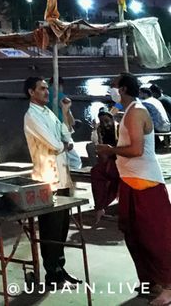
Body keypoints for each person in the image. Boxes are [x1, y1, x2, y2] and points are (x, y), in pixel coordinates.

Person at [96, 73, 171, 305]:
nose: (111, 89)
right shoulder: (126, 111)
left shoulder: (137, 112)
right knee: (134, 235)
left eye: (114, 86)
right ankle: (151, 282)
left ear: (124, 89)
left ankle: (168, 286)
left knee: (154, 237)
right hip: (130, 181)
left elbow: (136, 150)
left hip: (145, 182)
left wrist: (110, 150)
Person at [23, 76, 80, 287]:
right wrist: (65, 143)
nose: (47, 92)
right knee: (51, 228)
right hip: (47, 178)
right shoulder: (31, 116)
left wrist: (64, 113)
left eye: (47, 88)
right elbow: (55, 144)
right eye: (42, 89)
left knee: (63, 226)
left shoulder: (48, 112)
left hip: (63, 176)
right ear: (31, 92)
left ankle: (60, 267)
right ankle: (52, 272)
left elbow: (67, 132)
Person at [88, 109, 119, 223]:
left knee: (107, 175)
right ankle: (100, 207)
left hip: (122, 161)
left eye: (107, 121)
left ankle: (102, 206)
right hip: (110, 161)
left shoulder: (119, 129)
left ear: (112, 119)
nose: (106, 125)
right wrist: (97, 130)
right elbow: (100, 150)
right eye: (102, 122)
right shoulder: (101, 130)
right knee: (96, 172)